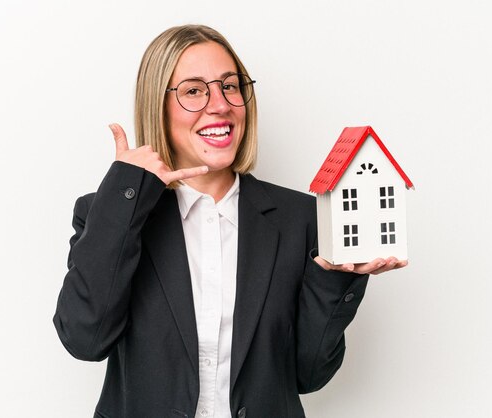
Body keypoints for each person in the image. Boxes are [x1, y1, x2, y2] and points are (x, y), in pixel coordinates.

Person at [53, 24, 406, 418]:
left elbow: (309, 375)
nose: (220, 104)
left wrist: (335, 279)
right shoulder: (107, 214)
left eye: (230, 86)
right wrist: (125, 192)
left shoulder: (300, 219)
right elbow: (85, 339)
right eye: (193, 90)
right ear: (158, 105)